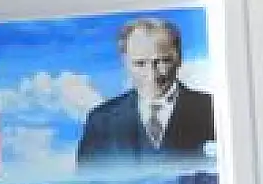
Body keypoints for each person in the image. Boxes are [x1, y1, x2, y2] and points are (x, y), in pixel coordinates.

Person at [76, 17, 216, 170]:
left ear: (179, 58)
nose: (152, 75)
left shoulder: (213, 109)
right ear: (125, 62)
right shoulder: (100, 121)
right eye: (140, 63)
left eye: (162, 61)